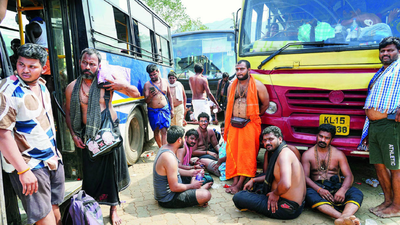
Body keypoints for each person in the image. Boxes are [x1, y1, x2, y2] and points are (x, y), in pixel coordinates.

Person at [65, 48, 140, 225]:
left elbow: (136, 94)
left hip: (109, 136)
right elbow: (68, 113)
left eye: (92, 64)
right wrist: (74, 135)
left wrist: (122, 86)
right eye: (85, 62)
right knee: (90, 176)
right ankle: (91, 208)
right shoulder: (72, 87)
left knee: (112, 173)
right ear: (80, 63)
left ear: (98, 66)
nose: (87, 67)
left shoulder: (107, 82)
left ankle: (114, 209)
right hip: (88, 138)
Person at [0, 43, 64, 225]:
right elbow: (3, 134)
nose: (25, 70)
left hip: (51, 160)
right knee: (45, 220)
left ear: (43, 68)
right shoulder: (8, 91)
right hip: (30, 165)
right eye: (21, 64)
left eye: (31, 66)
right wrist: (23, 170)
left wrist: (56, 154)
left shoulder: (42, 86)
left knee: (55, 212)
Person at [358, 36, 400, 218]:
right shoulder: (382, 72)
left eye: (390, 50)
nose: (385, 53)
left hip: (390, 125)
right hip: (375, 126)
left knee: (395, 167)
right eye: (383, 51)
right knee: (379, 166)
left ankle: (397, 206)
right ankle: (388, 201)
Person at [232, 126, 306, 219]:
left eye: (271, 139)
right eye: (265, 140)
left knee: (239, 197)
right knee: (256, 185)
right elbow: (273, 175)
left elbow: (286, 184)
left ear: (280, 139)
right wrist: (254, 180)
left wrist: (275, 194)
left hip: (287, 208)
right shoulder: (281, 151)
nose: (267, 143)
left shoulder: (284, 155)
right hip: (297, 205)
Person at [302, 124, 363, 225]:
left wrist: (342, 190)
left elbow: (349, 175)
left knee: (357, 193)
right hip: (318, 187)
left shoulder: (338, 154)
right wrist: (319, 190)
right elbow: (305, 177)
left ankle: (343, 217)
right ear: (317, 136)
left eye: (327, 138)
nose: (322, 140)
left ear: (332, 139)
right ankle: (343, 218)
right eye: (321, 136)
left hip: (336, 186)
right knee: (308, 194)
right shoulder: (307, 155)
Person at [224, 60, 269, 194]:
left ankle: (240, 184)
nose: (239, 72)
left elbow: (265, 104)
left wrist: (252, 116)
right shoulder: (231, 86)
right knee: (234, 153)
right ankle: (235, 181)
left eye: (242, 69)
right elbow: (229, 106)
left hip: (250, 125)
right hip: (233, 124)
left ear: (249, 69)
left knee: (247, 155)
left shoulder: (258, 86)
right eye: (237, 69)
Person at [153, 125, 212, 208]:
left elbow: (174, 170)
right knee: (206, 195)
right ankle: (200, 190)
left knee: (196, 177)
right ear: (179, 140)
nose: (184, 141)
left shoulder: (164, 148)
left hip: (172, 191)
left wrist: (192, 173)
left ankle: (197, 191)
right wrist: (192, 186)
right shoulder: (169, 157)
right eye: (183, 138)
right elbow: (174, 187)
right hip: (168, 199)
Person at [144, 64, 174, 147]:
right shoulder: (147, 85)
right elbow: (146, 101)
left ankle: (164, 149)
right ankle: (161, 148)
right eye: (151, 75)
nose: (153, 77)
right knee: (156, 131)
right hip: (153, 112)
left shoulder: (165, 81)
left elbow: (169, 96)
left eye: (154, 74)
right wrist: (150, 96)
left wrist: (172, 110)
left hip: (164, 109)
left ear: (158, 72)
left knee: (164, 131)